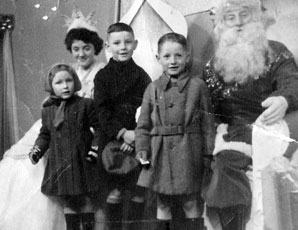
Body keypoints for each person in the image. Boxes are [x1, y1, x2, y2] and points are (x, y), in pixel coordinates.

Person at [0, 9, 105, 230]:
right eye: (76, 49)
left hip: (83, 124)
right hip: (59, 121)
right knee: (25, 158)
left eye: (86, 48)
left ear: (95, 47)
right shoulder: (70, 72)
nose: (81, 54)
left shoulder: (101, 72)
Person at [201, 0, 298, 229]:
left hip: (273, 128)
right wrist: (217, 129)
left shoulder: (276, 51)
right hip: (234, 135)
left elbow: (292, 82)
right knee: (224, 168)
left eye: (244, 15)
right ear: (222, 24)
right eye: (230, 18)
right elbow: (207, 108)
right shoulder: (211, 66)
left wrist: (284, 99)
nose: (238, 24)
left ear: (256, 18)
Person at [135, 32, 215, 230]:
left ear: (187, 57)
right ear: (158, 58)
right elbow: (143, 124)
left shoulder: (198, 86)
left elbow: (208, 123)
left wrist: (207, 155)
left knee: (190, 201)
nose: (173, 61)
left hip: (189, 152)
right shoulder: (152, 89)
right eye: (167, 56)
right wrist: (142, 149)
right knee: (162, 201)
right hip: (160, 152)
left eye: (178, 56)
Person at [93, 22, 151, 230]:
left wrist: (135, 134)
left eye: (128, 42)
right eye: (117, 43)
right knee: (114, 191)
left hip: (138, 138)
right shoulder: (103, 76)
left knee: (138, 190)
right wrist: (121, 133)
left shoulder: (142, 76)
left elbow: (148, 108)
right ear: (108, 46)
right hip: (112, 140)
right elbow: (102, 111)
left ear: (135, 44)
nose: (123, 47)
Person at [29, 63, 101, 230]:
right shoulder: (48, 110)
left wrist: (94, 150)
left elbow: (99, 129)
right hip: (61, 163)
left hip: (82, 160)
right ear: (50, 86)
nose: (65, 86)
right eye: (59, 83)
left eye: (69, 81)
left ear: (75, 81)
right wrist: (37, 151)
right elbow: (45, 134)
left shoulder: (86, 104)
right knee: (69, 201)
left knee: (85, 201)